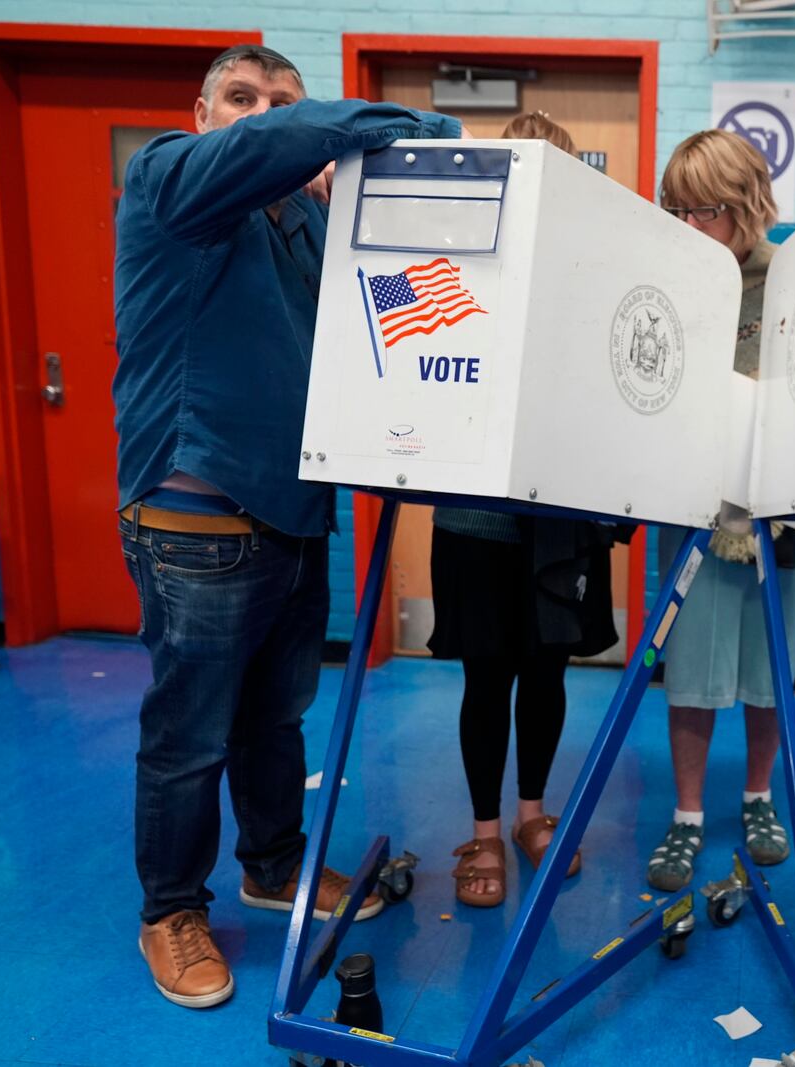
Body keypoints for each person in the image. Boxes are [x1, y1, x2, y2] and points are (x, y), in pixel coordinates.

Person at [113, 44, 461, 1008]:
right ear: (201, 111)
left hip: (294, 515)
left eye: (276, 100)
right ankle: (171, 911)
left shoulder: (306, 219)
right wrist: (431, 134)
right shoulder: (168, 180)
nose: (258, 113)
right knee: (190, 735)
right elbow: (287, 141)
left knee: (274, 717)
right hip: (193, 516)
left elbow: (388, 326)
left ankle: (272, 866)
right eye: (240, 97)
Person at [433, 113, 616, 909]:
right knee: (485, 676)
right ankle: (481, 827)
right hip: (474, 516)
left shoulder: (593, 268)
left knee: (546, 670)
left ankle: (531, 815)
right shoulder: (464, 261)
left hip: (561, 519)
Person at [646, 130, 795, 892]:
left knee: (769, 666)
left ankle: (757, 798)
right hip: (694, 505)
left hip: (784, 510)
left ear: (749, 205)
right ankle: (688, 814)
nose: (690, 228)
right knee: (690, 667)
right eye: (677, 210)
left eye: (707, 211)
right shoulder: (664, 277)